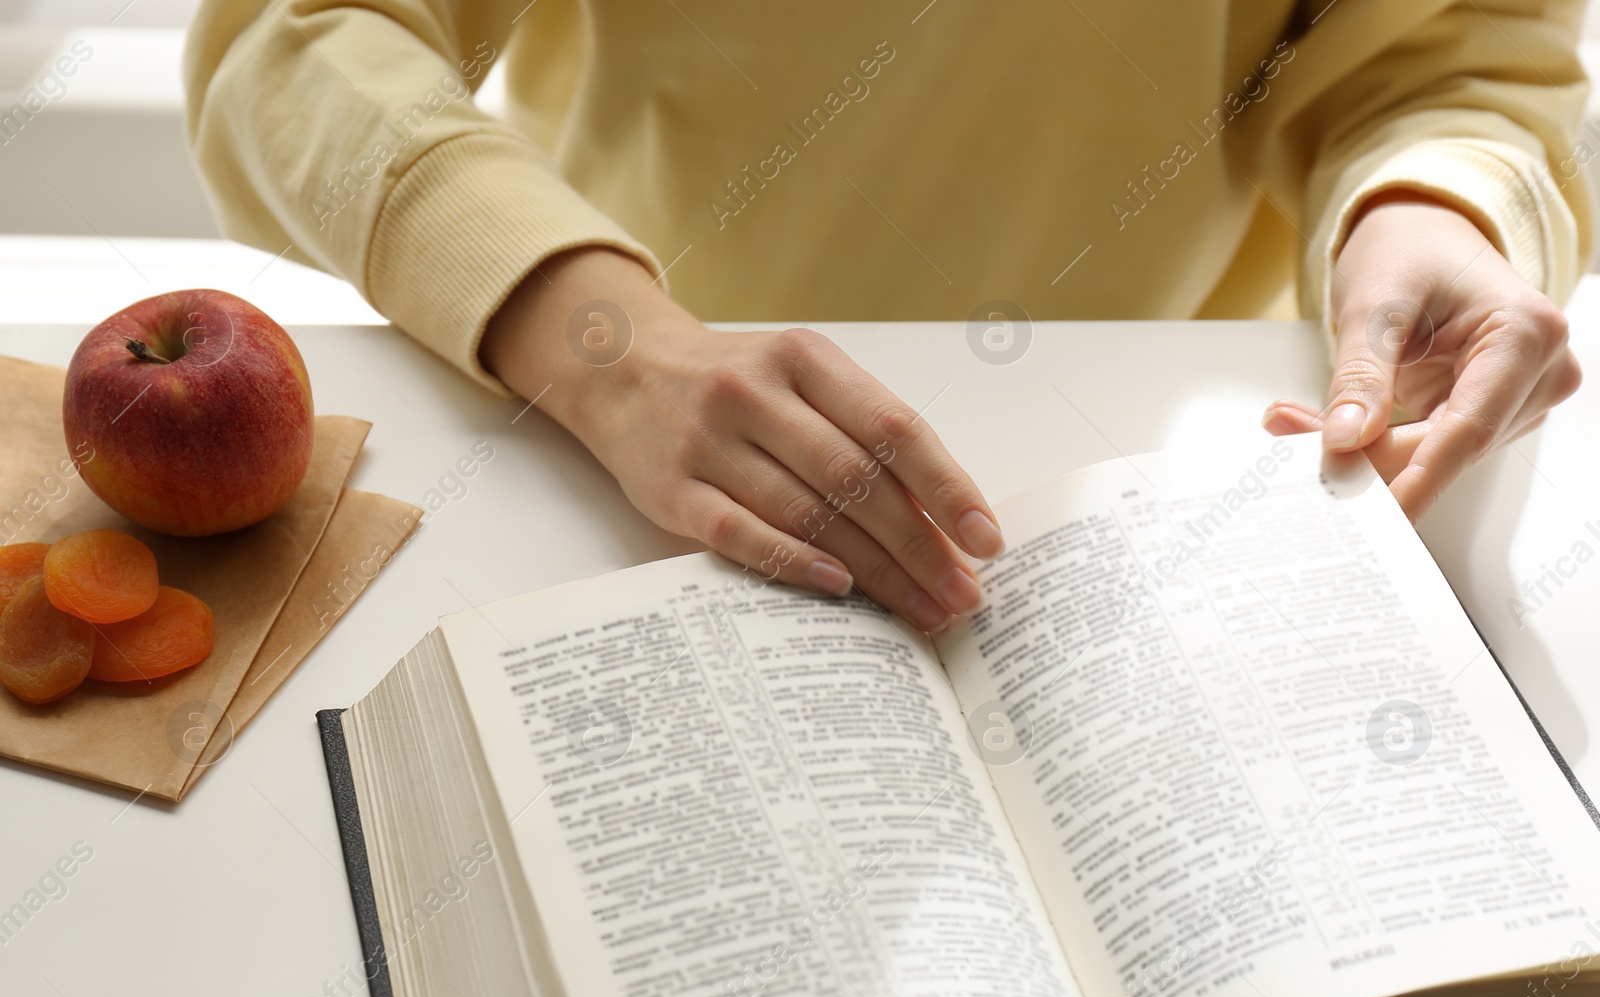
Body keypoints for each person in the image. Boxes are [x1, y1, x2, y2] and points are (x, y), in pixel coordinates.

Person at [184, 0, 1590, 631]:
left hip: (1154, 491)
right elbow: (293, 36)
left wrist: (1438, 204)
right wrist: (597, 334)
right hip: (598, 446)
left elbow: (1447, 61)